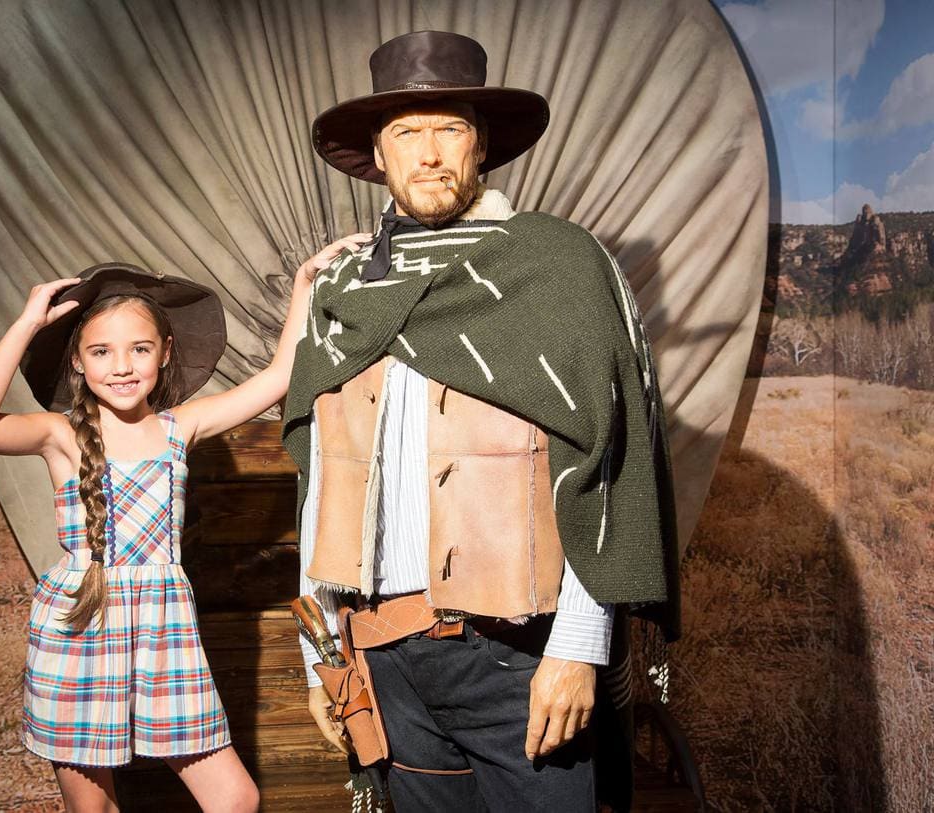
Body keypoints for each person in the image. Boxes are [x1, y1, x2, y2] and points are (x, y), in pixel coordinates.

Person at [285, 30, 680, 811]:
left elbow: (606, 459)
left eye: (448, 129)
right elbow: (323, 479)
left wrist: (576, 647)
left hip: (517, 658)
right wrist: (321, 660)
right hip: (384, 660)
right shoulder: (344, 297)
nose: (429, 153)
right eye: (406, 132)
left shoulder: (557, 267)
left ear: (483, 144)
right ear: (379, 152)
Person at [0, 239, 368, 812]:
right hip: (79, 623)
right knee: (93, 807)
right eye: (100, 352)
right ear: (77, 360)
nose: (121, 366)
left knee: (234, 798)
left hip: (164, 627)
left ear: (165, 353)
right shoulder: (60, 436)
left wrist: (303, 285)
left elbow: (279, 377)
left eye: (139, 349)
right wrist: (27, 324)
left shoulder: (180, 428)